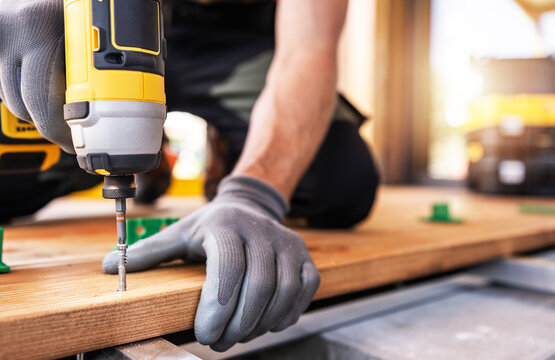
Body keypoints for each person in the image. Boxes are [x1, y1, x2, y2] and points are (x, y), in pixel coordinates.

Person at [0, 0, 379, 351]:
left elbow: (308, 49)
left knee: (339, 182)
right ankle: (144, 150)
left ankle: (221, 147)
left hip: (236, 42)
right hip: (108, 36)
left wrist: (254, 194)